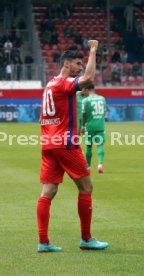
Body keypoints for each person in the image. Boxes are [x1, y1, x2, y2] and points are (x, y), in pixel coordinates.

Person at [37, 40, 109, 253]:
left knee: (48, 190)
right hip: (65, 143)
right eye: (78, 63)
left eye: (82, 63)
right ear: (66, 64)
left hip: (49, 143)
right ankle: (86, 239)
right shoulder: (63, 83)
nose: (80, 67)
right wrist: (93, 50)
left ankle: (43, 242)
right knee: (86, 187)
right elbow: (88, 78)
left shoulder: (49, 84)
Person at [81, 85, 106, 173]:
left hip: (89, 126)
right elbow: (104, 112)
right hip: (100, 125)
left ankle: (88, 167)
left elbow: (83, 114)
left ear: (87, 90)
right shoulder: (102, 99)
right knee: (100, 145)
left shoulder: (85, 100)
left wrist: (83, 126)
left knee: (88, 146)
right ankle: (100, 164)